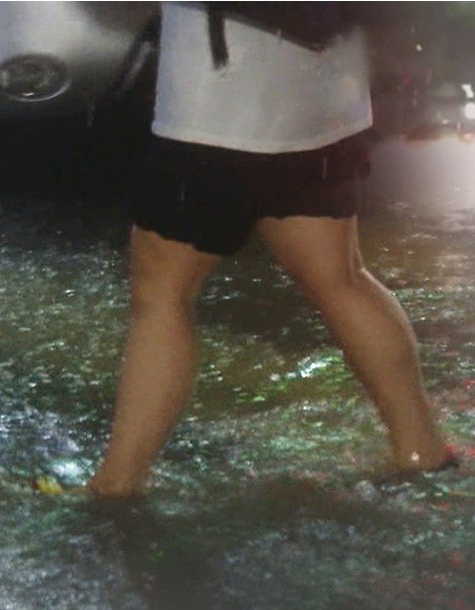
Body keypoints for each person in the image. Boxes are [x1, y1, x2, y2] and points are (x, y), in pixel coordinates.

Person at [86, 3, 450, 498]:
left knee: (163, 296)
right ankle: (422, 451)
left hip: (215, 111)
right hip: (326, 107)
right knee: (340, 279)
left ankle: (117, 484)